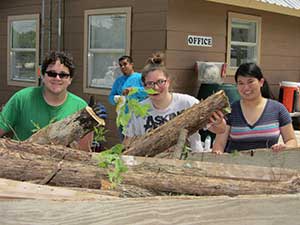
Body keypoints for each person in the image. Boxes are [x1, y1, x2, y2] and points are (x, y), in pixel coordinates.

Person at [0, 51, 107, 150]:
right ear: (42, 75)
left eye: (63, 75)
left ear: (70, 80)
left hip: (60, 167)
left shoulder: (79, 106)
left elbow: (83, 151)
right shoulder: (22, 98)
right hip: (20, 163)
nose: (57, 78)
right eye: (52, 73)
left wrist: (91, 121)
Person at [124, 52, 226, 152]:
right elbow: (128, 142)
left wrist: (218, 122)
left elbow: (221, 129)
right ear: (144, 86)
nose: (155, 87)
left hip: (189, 163)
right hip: (153, 165)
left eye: (160, 82)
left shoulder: (188, 103)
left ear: (168, 81)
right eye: (150, 83)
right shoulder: (137, 111)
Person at [212, 62, 297, 154]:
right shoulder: (230, 111)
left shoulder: (278, 109)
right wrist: (217, 154)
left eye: (250, 82)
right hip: (235, 165)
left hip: (269, 166)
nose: (246, 87)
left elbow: (292, 140)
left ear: (261, 82)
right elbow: (219, 144)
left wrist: (285, 147)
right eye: (241, 83)